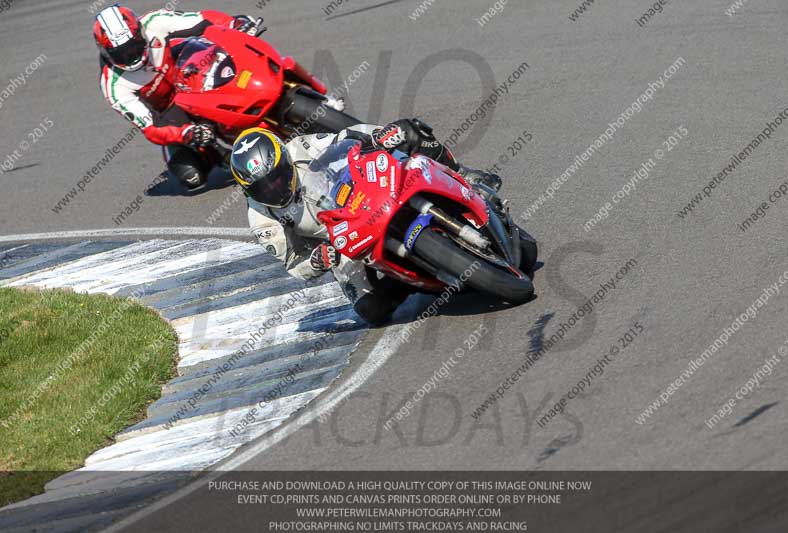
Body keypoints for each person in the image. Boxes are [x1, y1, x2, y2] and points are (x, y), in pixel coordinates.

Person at [229, 118, 503, 325]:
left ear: (285, 160)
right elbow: (292, 262)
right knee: (371, 310)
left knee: (409, 131)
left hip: (364, 192)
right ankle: (417, 278)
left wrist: (379, 135)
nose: (274, 189)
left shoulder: (302, 147)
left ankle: (467, 178)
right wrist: (316, 261)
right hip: (341, 241)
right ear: (248, 191)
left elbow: (345, 136)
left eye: (276, 177)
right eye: (263, 189)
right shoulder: (262, 219)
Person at [93, 5, 265, 189]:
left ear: (140, 33)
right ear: (106, 52)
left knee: (224, 59)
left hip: (191, 71)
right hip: (169, 111)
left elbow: (201, 19)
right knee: (191, 176)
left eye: (134, 46)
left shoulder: (154, 22)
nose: (131, 55)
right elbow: (150, 128)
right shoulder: (113, 85)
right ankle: (211, 151)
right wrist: (185, 134)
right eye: (122, 53)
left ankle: (258, 97)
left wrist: (234, 24)